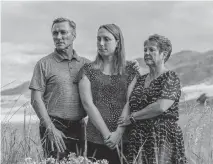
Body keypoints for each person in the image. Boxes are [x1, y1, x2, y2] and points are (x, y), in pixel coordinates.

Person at [118, 34, 188, 164]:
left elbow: (161, 106)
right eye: (145, 50)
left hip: (162, 136)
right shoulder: (141, 80)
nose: (147, 53)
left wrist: (133, 117)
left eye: (152, 50)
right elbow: (130, 101)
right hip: (138, 138)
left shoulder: (170, 77)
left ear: (164, 54)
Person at [76, 24, 139, 164]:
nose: (101, 43)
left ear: (118, 42)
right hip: (96, 138)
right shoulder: (87, 70)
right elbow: (88, 104)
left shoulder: (131, 70)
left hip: (126, 138)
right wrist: (107, 135)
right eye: (98, 39)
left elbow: (131, 102)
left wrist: (118, 133)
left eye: (106, 39)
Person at [29, 17, 90, 160]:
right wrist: (50, 128)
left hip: (79, 126)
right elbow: (35, 99)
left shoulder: (86, 64)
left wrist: (130, 66)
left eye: (63, 32)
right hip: (53, 126)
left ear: (74, 35)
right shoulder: (43, 64)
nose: (58, 37)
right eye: (55, 33)